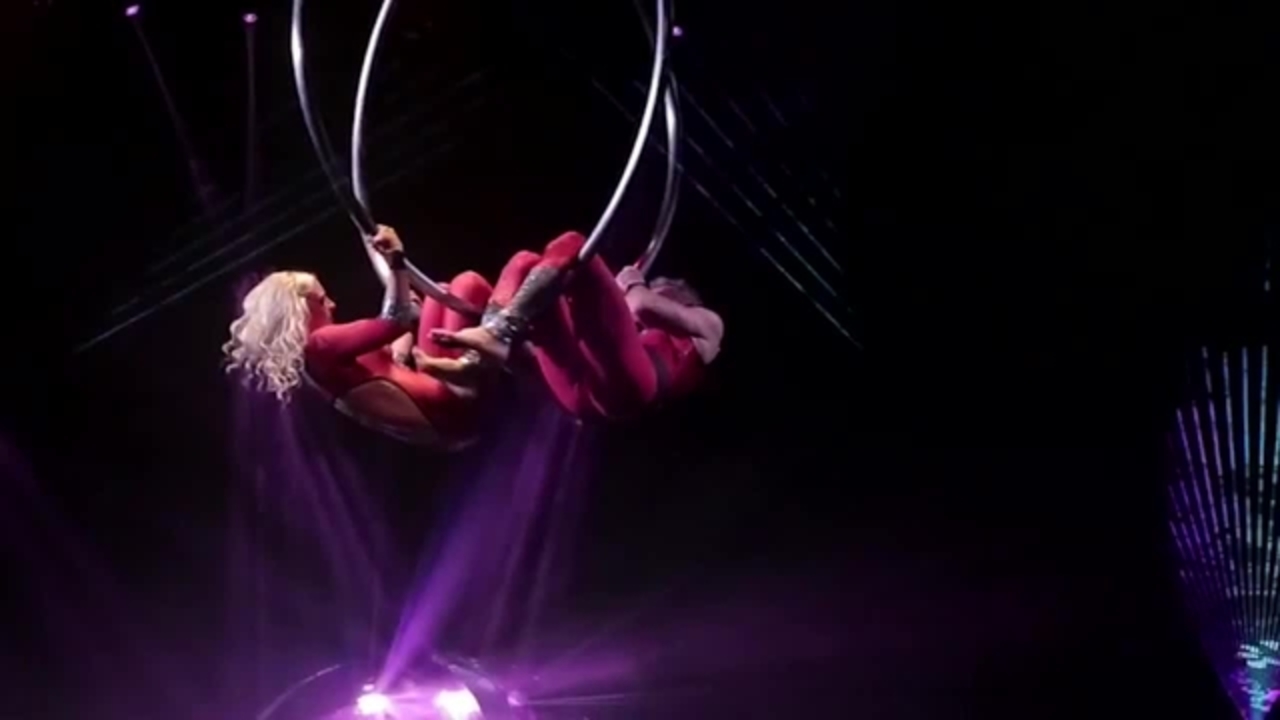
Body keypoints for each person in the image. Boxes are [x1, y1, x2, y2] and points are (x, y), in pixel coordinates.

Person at [222, 226, 494, 448]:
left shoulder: (319, 362)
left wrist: (401, 292)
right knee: (466, 284)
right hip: (452, 406)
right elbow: (397, 319)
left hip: (446, 414)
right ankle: (502, 335)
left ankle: (489, 344)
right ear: (303, 309)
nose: (332, 305)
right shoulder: (321, 344)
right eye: (322, 300)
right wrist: (396, 259)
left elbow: (395, 354)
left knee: (442, 292)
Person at [418, 231, 724, 419]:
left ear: (684, 295)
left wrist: (634, 282)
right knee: (526, 262)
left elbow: (641, 305)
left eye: (665, 286)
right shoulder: (638, 330)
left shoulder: (708, 326)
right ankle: (476, 357)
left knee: (575, 245)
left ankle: (498, 333)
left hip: (629, 389)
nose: (659, 286)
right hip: (578, 393)